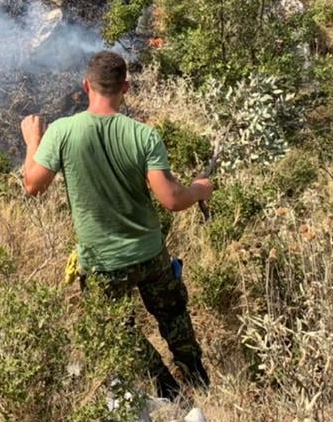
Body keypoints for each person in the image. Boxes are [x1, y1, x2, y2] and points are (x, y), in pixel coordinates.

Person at [20, 50, 214, 400]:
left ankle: (167, 390)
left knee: (117, 330)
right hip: (150, 253)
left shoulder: (62, 132)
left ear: (86, 86)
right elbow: (171, 199)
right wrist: (200, 189)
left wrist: (33, 140)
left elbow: (32, 185)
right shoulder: (144, 135)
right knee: (173, 316)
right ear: (126, 87)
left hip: (101, 262)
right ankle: (198, 381)